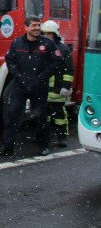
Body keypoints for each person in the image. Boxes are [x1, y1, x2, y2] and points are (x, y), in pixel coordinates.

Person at [0, 16, 62, 157]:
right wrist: (19, 76)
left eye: (38, 25)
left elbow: (56, 63)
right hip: (20, 85)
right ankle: (7, 147)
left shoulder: (48, 44)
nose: (37, 28)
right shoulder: (17, 43)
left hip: (39, 86)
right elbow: (10, 60)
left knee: (40, 116)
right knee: (13, 114)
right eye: (34, 25)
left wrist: (41, 77)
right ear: (26, 27)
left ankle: (44, 146)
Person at [41, 20, 74, 148]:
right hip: (44, 90)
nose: (46, 36)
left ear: (54, 34)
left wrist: (66, 86)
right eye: (45, 33)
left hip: (57, 89)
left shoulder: (62, 49)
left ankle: (62, 138)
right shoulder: (41, 47)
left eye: (49, 33)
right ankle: (45, 138)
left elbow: (68, 69)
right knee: (44, 117)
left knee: (60, 115)